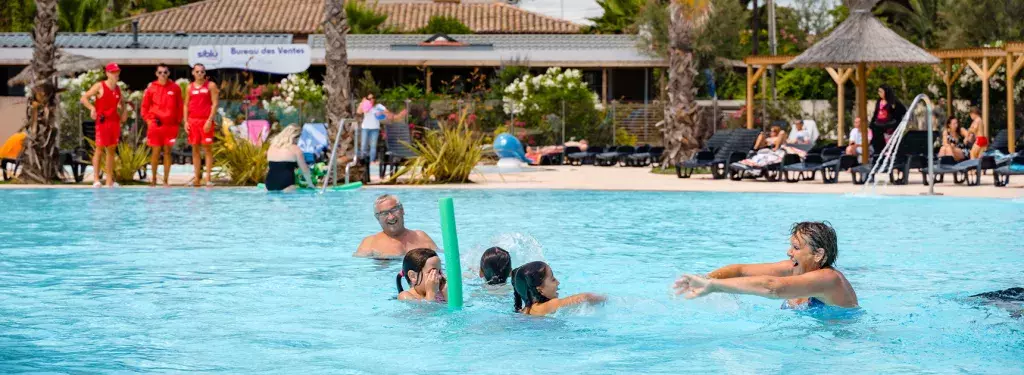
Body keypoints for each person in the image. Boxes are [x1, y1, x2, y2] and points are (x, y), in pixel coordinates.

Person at [673, 221, 858, 309]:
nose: (789, 252)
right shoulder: (794, 269)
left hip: (838, 346)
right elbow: (740, 270)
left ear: (818, 254)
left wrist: (714, 286)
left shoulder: (828, 279)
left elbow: (772, 288)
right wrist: (704, 279)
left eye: (795, 247)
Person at [80, 62, 124, 187]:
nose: (116, 74)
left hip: (114, 122)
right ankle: (96, 179)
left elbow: (121, 103)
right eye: (113, 72)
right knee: (99, 149)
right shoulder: (100, 86)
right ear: (107, 73)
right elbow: (84, 98)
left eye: (117, 72)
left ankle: (109, 180)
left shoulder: (117, 88)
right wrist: (92, 108)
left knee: (111, 150)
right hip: (103, 122)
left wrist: (124, 111)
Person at [355, 194, 438, 258]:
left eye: (394, 210)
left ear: (402, 210)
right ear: (377, 218)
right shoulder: (370, 243)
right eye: (384, 213)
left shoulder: (421, 237)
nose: (391, 217)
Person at [511, 261, 606, 316]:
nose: (558, 282)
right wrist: (606, 298)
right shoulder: (549, 305)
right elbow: (586, 297)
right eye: (553, 279)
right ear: (540, 289)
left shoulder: (523, 312)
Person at [140, 64, 183, 187]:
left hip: (170, 125)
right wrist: (149, 120)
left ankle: (165, 180)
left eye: (165, 72)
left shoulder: (175, 88)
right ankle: (153, 179)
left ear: (168, 73)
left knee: (168, 152)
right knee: (155, 152)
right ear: (156, 74)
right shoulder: (151, 88)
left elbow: (180, 106)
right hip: (156, 125)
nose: (162, 74)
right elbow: (144, 107)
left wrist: (178, 121)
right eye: (160, 72)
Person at [183, 63, 220, 187]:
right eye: (197, 71)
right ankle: (197, 178)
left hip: (205, 121)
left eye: (202, 72)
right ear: (193, 73)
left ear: (205, 73)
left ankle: (208, 178)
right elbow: (186, 105)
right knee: (195, 149)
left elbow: (215, 104)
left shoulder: (211, 86)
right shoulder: (189, 87)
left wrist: (210, 120)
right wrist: (185, 121)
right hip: (193, 121)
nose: (200, 74)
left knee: (207, 149)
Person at [265, 125, 314, 192]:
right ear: (295, 137)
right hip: (287, 184)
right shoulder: (295, 149)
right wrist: (310, 184)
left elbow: (270, 167)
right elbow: (304, 170)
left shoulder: (272, 147)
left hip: (269, 183)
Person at [869, 85, 906, 154]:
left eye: (881, 92)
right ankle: (879, 151)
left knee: (880, 128)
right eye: (878, 91)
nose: (879, 93)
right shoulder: (879, 101)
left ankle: (888, 150)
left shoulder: (893, 101)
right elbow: (876, 113)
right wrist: (871, 123)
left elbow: (903, 111)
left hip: (890, 122)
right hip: (879, 122)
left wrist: (894, 108)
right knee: (874, 129)